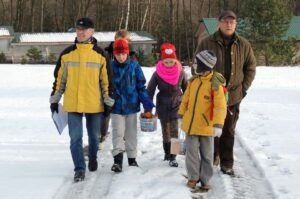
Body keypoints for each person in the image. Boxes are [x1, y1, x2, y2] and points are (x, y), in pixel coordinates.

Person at [49, 17, 114, 182]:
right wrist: (55, 100)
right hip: (73, 104)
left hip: (94, 103)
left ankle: (92, 158)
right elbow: (59, 81)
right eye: (78, 29)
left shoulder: (101, 55)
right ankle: (79, 169)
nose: (81, 32)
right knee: (75, 138)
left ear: (92, 31)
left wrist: (108, 102)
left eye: (85, 29)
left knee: (94, 137)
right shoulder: (67, 54)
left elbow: (107, 82)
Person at [194, 10, 256, 176]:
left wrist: (243, 89)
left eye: (232, 22)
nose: (229, 24)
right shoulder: (206, 42)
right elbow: (196, 65)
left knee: (228, 129)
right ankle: (211, 157)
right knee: (210, 129)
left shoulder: (243, 44)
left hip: (234, 95)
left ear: (235, 24)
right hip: (211, 95)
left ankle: (227, 163)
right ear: (219, 23)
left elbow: (250, 68)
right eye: (225, 21)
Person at [178, 50, 227, 191]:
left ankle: (205, 179)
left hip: (207, 127)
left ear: (204, 65)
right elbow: (185, 101)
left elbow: (220, 106)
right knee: (191, 154)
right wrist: (181, 116)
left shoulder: (215, 84)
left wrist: (218, 124)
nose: (193, 65)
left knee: (206, 155)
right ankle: (193, 177)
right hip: (191, 126)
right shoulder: (193, 82)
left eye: (196, 63)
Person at [110, 38, 154, 173]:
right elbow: (105, 85)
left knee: (131, 134)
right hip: (116, 106)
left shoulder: (134, 66)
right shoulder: (110, 66)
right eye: (118, 54)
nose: (121, 57)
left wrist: (146, 102)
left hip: (131, 106)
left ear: (127, 53)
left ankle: (132, 159)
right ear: (114, 54)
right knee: (118, 133)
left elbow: (141, 86)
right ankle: (117, 161)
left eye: (123, 54)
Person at [147, 43, 187, 167]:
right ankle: (166, 153)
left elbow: (187, 90)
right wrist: (148, 106)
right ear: (162, 61)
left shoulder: (181, 72)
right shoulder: (157, 73)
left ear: (175, 60)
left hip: (177, 105)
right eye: (166, 62)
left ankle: (173, 156)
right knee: (166, 132)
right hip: (162, 105)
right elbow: (150, 90)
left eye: (171, 61)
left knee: (174, 131)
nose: (169, 64)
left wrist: (188, 105)